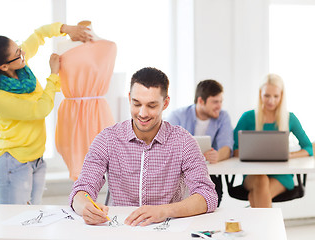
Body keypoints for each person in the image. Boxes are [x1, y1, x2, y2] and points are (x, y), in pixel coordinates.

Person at [70, 67, 217, 226]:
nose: (142, 113)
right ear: (129, 98)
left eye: (152, 105)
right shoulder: (107, 139)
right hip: (120, 230)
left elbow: (207, 195)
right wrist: (85, 206)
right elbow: (81, 191)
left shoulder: (183, 142)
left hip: (167, 230)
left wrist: (164, 211)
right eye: (137, 103)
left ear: (165, 103)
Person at [0, 22, 92, 204]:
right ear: (4, 66)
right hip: (13, 161)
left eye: (19, 48)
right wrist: (53, 75)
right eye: (18, 53)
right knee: (13, 224)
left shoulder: (20, 67)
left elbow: (39, 35)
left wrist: (67, 29)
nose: (23, 53)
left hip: (36, 159)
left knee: (32, 220)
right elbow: (40, 110)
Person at [233, 73, 313, 208]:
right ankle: (271, 229)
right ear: (260, 94)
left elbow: (308, 147)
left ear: (282, 95)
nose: (271, 101)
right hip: (253, 174)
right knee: (261, 181)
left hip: (281, 175)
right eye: (267, 96)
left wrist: (290, 155)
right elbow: (234, 149)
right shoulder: (248, 117)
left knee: (256, 197)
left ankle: (258, 226)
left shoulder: (289, 118)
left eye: (276, 96)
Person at [55, 20, 116, 181]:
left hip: (97, 112)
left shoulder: (109, 47)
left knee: (100, 162)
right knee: (77, 168)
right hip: (71, 112)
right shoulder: (62, 46)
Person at [167, 79, 233, 206]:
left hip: (209, 172)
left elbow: (227, 145)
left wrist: (218, 155)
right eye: (215, 102)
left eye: (220, 101)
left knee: (212, 195)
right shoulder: (177, 115)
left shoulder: (223, 116)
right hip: (181, 173)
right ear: (201, 101)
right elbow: (167, 146)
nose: (219, 106)